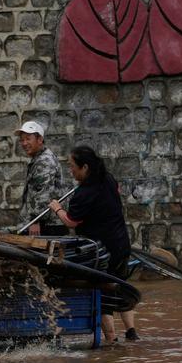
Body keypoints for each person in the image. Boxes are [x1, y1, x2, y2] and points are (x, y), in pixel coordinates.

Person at [47, 145, 138, 343]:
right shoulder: (108, 179)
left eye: (72, 167)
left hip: (101, 252)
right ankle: (131, 332)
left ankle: (111, 341)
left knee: (102, 292)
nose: (71, 170)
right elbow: (116, 191)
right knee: (120, 286)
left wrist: (57, 208)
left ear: (85, 167)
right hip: (122, 243)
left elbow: (71, 221)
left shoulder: (84, 193)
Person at [15, 121, 67, 236]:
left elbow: (44, 193)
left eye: (28, 139)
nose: (24, 143)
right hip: (45, 223)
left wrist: (35, 220)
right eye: (22, 140)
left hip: (47, 225)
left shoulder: (44, 161)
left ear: (40, 140)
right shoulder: (39, 158)